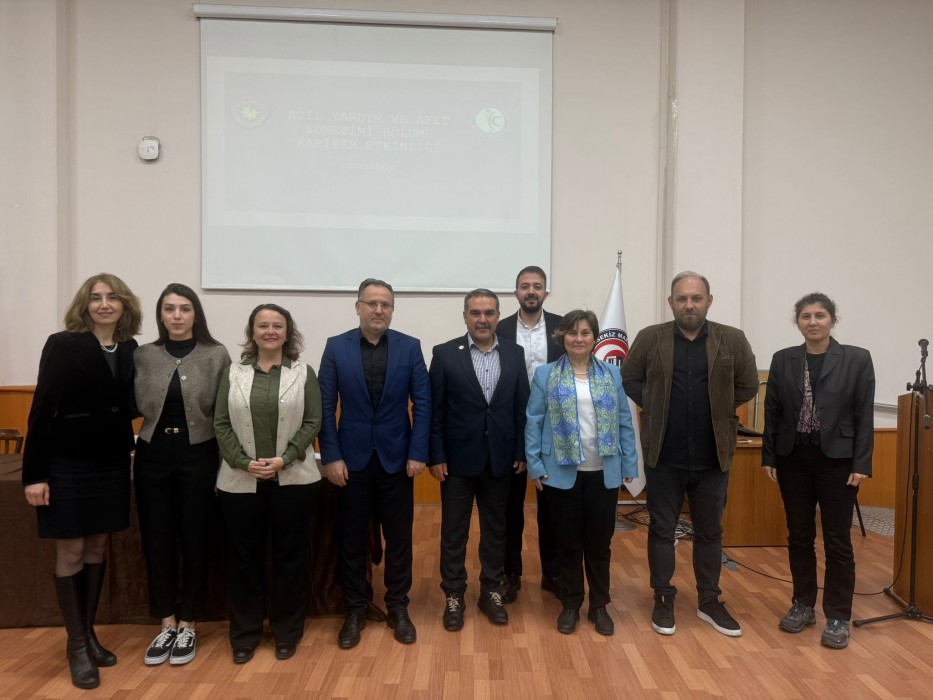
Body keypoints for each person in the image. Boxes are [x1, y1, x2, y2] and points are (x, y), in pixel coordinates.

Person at [22, 273, 142, 690]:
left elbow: (128, 404)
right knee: (71, 549)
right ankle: (75, 646)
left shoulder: (129, 348)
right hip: (67, 463)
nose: (104, 304)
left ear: (124, 305)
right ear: (84, 304)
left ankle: (89, 634)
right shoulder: (63, 344)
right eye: (96, 297)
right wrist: (35, 474)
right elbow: (41, 410)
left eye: (112, 297)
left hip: (111, 463)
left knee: (97, 546)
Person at [622, 271, 758, 638]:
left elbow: (747, 384)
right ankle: (663, 597)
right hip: (663, 456)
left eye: (696, 298)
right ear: (671, 302)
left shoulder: (732, 339)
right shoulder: (650, 337)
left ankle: (709, 601)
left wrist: (719, 406)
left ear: (709, 301)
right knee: (662, 530)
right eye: (682, 298)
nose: (689, 305)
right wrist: (656, 404)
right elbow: (630, 379)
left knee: (710, 532)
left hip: (713, 457)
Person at [318, 278, 431, 649]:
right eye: (372, 303)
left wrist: (418, 452)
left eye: (386, 304)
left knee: (399, 538)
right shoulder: (336, 347)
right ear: (358, 307)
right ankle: (355, 608)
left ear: (392, 310)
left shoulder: (410, 347)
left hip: (398, 459)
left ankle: (398, 606)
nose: (379, 310)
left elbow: (423, 404)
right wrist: (331, 456)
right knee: (352, 538)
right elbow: (324, 406)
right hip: (350, 462)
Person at [762, 293, 874, 650]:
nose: (813, 321)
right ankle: (803, 604)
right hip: (793, 458)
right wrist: (769, 456)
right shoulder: (783, 359)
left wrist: (862, 463)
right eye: (806, 316)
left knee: (838, 540)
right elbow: (772, 412)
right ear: (798, 322)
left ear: (832, 320)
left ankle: (838, 616)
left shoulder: (857, 358)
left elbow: (864, 415)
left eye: (820, 315)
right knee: (799, 536)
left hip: (838, 461)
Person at [214, 304, 322, 665]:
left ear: (288, 333)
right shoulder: (233, 373)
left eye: (278, 326)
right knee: (244, 559)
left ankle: (286, 632)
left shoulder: (303, 373)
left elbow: (312, 421)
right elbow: (220, 424)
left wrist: (285, 458)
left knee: (290, 558)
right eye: (263, 325)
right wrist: (242, 462)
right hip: (240, 481)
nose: (270, 331)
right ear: (253, 332)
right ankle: (245, 634)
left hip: (293, 480)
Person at [133, 283, 231, 666]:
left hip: (199, 454)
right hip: (152, 455)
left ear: (195, 314)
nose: (177, 315)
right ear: (160, 314)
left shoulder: (216, 354)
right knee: (157, 539)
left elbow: (224, 415)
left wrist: (223, 464)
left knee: (196, 537)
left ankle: (189, 622)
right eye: (169, 308)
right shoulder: (143, 355)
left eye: (185, 308)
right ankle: (166, 623)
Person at [525, 310, 639, 635]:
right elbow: (533, 422)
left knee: (600, 544)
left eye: (585, 332)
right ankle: (571, 603)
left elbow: (624, 420)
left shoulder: (612, 375)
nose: (579, 339)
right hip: (560, 474)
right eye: (572, 332)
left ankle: (599, 605)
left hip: (603, 472)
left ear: (594, 338)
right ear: (562, 337)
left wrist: (629, 463)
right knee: (568, 542)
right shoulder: (545, 374)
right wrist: (535, 465)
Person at [428, 289, 530, 631]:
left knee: (496, 530)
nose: (482, 319)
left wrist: (520, 451)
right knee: (454, 533)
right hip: (456, 462)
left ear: (498, 316)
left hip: (501, 459)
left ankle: (491, 591)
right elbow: (435, 411)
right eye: (475, 313)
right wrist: (436, 456)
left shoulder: (514, 353)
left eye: (489, 313)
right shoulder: (444, 353)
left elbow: (521, 408)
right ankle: (454, 594)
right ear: (465, 316)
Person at [496, 265, 564, 601]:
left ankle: (553, 573)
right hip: (509, 426)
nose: (531, 291)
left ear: (546, 292)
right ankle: (510, 573)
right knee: (510, 507)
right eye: (525, 286)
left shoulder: (563, 328)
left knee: (552, 506)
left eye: (537, 286)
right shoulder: (500, 328)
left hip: (554, 429)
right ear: (516, 293)